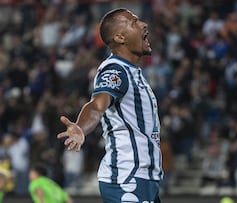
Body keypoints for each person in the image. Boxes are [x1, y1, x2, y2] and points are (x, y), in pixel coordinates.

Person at [57, 8, 162, 203]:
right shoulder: (115, 70)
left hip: (144, 180)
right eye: (134, 22)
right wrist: (80, 127)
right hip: (127, 179)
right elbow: (97, 105)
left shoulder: (133, 72)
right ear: (120, 37)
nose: (143, 24)